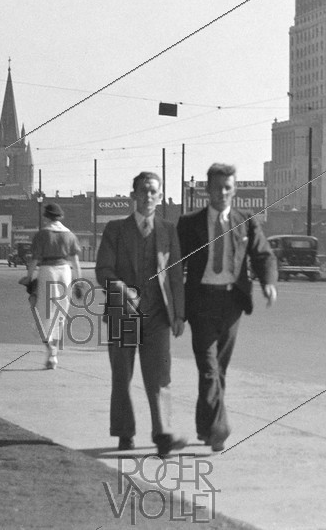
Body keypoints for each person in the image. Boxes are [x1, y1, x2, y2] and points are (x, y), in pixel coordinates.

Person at [177, 162, 278, 452]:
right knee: (208, 367)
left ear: (234, 190)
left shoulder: (246, 220)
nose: (222, 193)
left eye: (227, 188)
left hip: (232, 302)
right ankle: (220, 430)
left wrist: (268, 282)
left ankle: (204, 427)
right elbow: (175, 264)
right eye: (217, 187)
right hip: (201, 301)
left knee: (218, 369)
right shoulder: (189, 223)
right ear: (207, 190)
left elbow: (263, 255)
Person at [96, 171, 187, 456]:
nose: (149, 196)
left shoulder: (168, 230)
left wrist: (179, 314)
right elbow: (103, 270)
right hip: (122, 313)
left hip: (158, 315)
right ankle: (125, 433)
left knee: (160, 376)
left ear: (160, 197)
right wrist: (121, 288)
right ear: (133, 195)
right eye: (143, 191)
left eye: (154, 192)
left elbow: (175, 275)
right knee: (122, 376)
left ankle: (163, 435)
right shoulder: (115, 229)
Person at [25, 202, 83, 369]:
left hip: (47, 271)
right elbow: (76, 263)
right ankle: (54, 354)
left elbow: (34, 260)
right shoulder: (70, 235)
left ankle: (50, 350)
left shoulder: (42, 235)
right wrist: (78, 281)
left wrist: (29, 278)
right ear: (60, 217)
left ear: (46, 217)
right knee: (61, 312)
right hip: (65, 272)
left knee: (44, 312)